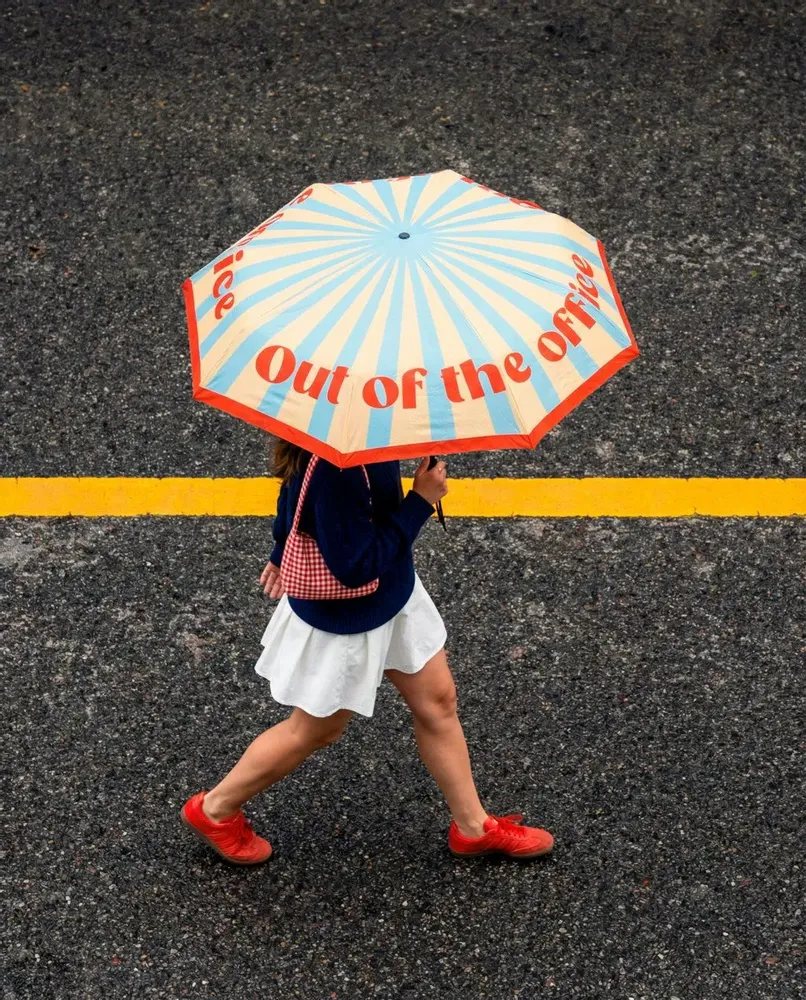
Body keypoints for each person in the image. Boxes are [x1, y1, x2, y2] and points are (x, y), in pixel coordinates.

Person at [180, 440, 554, 864]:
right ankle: (215, 809)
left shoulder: (353, 432)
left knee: (438, 702)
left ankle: (473, 827)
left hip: (392, 594)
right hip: (348, 617)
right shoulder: (337, 469)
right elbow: (355, 566)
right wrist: (421, 501)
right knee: (315, 730)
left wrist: (282, 548)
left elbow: (291, 495)